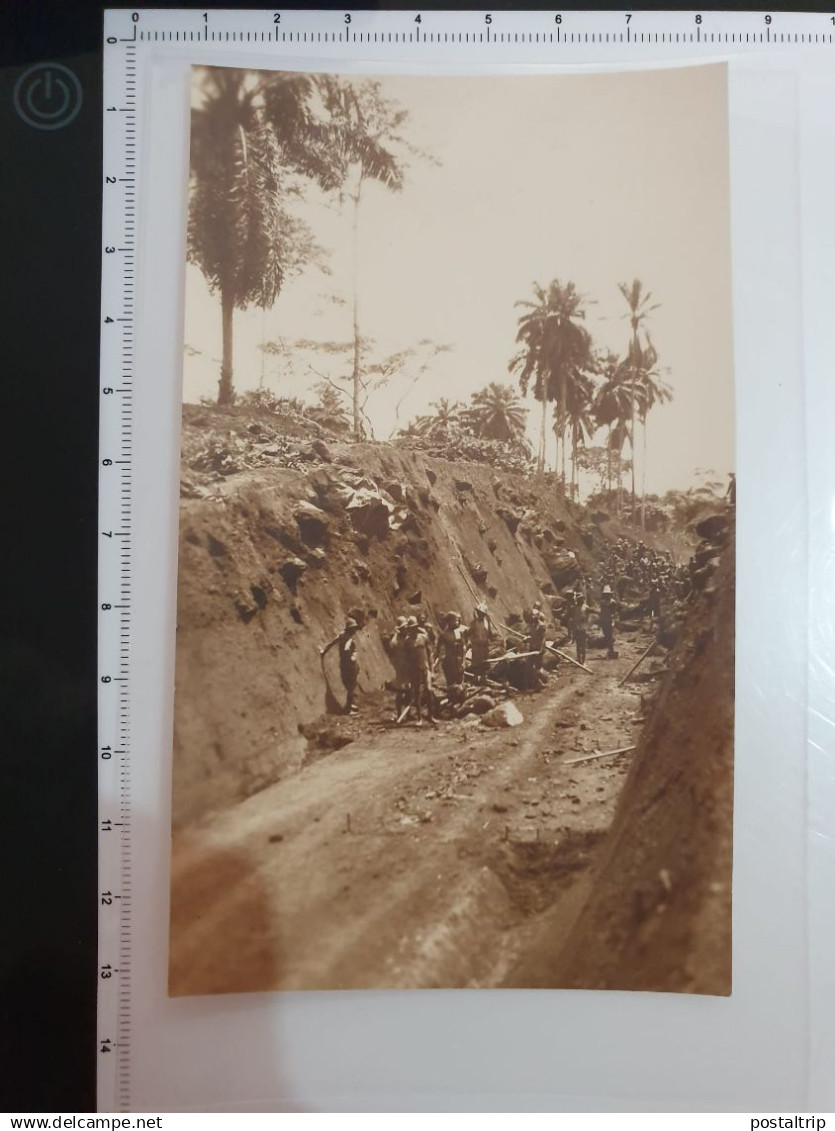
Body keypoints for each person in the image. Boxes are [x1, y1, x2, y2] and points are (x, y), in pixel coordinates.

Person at [321, 618, 361, 714]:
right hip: (349, 665)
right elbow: (347, 649)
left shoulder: (342, 635)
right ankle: (348, 709)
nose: (355, 630)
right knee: (350, 686)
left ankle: (350, 705)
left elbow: (332, 642)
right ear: (350, 629)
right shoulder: (349, 639)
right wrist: (352, 656)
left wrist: (324, 650)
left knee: (350, 685)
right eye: (353, 628)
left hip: (345, 664)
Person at [403, 616, 435, 725]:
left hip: (425, 668)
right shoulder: (407, 642)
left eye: (415, 627)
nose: (414, 630)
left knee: (429, 691)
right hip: (414, 670)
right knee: (416, 693)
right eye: (411, 628)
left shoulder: (424, 638)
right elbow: (406, 660)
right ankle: (419, 718)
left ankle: (430, 716)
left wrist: (432, 670)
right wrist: (407, 677)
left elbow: (430, 653)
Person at [437, 611, 467, 700]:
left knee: (460, 681)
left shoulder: (460, 632)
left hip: (459, 660)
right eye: (455, 620)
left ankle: (460, 698)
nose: (457, 622)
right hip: (449, 661)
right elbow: (439, 649)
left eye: (457, 620)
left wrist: (463, 660)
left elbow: (463, 646)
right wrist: (439, 660)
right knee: (451, 682)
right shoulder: (444, 635)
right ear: (449, 621)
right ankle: (452, 698)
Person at [387, 616, 410, 720]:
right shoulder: (396, 639)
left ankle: (408, 713)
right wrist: (396, 633)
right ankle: (400, 712)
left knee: (409, 690)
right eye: (403, 627)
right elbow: (392, 645)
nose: (405, 629)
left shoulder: (408, 638)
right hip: (400, 667)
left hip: (408, 666)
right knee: (400, 691)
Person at [469, 602, 493, 685]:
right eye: (479, 613)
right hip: (476, 645)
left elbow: (490, 633)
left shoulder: (487, 622)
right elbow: (469, 632)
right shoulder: (474, 622)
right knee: (476, 662)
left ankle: (483, 678)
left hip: (484, 645)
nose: (480, 615)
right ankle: (475, 678)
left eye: (482, 613)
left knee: (484, 662)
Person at [599, 586, 617, 660]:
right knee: (606, 636)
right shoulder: (602, 602)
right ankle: (610, 650)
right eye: (606, 594)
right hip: (604, 620)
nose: (607, 595)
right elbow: (602, 612)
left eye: (608, 594)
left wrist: (613, 620)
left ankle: (611, 651)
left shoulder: (612, 602)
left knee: (609, 636)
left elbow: (614, 612)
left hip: (609, 620)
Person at [571, 598, 589, 666]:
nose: (579, 600)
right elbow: (573, 617)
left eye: (581, 599)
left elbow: (587, 617)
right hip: (576, 628)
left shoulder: (586, 607)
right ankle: (579, 660)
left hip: (583, 628)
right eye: (578, 599)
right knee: (578, 645)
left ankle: (583, 661)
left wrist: (586, 626)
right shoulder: (574, 607)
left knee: (583, 645)